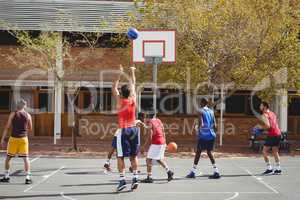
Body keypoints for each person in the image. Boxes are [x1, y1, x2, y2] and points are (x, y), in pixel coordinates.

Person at [113, 65, 140, 192]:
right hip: (134, 130)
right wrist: (132, 72)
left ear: (121, 93)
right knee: (134, 156)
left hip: (123, 130)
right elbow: (133, 84)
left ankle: (122, 180)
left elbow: (114, 86)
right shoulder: (133, 100)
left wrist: (119, 74)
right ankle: (135, 178)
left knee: (120, 157)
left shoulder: (120, 101)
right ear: (129, 93)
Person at [186, 97, 220, 179]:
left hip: (204, 135)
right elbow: (215, 126)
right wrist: (214, 133)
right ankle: (216, 171)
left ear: (201, 103)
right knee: (209, 152)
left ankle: (193, 172)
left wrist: (197, 127)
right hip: (211, 135)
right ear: (207, 103)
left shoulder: (200, 111)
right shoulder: (211, 111)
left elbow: (201, 124)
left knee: (198, 152)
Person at [0, 99, 33, 184]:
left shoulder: (13, 113)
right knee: (26, 158)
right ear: (24, 106)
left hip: (14, 138)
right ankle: (28, 177)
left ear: (17, 106)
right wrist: (24, 130)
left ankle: (6, 176)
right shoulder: (28, 115)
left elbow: (7, 127)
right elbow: (30, 128)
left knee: (8, 158)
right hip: (23, 139)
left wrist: (2, 139)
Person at [141, 112, 174, 183]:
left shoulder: (150, 122)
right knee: (159, 159)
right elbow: (163, 131)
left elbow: (150, 134)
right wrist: (165, 142)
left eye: (146, 116)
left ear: (148, 116)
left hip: (156, 143)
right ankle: (169, 172)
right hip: (162, 142)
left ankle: (149, 177)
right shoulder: (158, 120)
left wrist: (144, 146)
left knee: (148, 159)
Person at [256, 101, 282, 175]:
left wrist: (260, 128)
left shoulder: (264, 115)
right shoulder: (272, 113)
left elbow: (268, 126)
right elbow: (274, 124)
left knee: (264, 151)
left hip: (273, 135)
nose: (259, 107)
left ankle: (269, 168)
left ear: (264, 107)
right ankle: (278, 169)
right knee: (275, 151)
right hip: (278, 133)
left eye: (261, 105)